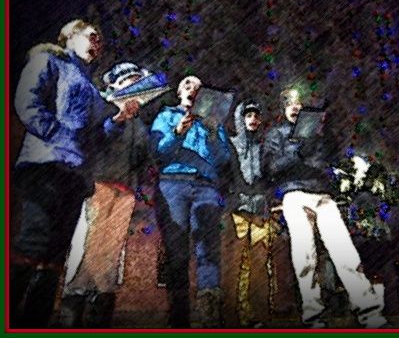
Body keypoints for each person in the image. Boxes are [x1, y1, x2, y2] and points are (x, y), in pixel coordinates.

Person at [10, 19, 138, 328]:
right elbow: (27, 102)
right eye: (93, 36)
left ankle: (34, 322)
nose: (97, 43)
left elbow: (98, 135)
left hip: (74, 177)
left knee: (54, 256)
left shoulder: (93, 90)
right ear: (70, 36)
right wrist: (57, 135)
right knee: (31, 243)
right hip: (45, 166)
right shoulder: (48, 60)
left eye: (100, 41)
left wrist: (118, 119)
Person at [263, 88, 389, 329]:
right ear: (283, 108)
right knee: (305, 255)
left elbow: (330, 160)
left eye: (299, 102)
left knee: (345, 252)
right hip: (294, 194)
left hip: (323, 195)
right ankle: (313, 318)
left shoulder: (319, 135)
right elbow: (270, 167)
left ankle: (371, 314)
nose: (295, 106)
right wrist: (297, 151)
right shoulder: (276, 134)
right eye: (289, 102)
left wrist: (325, 133)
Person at [60, 62, 152, 328]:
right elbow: (93, 139)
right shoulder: (100, 104)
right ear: (115, 84)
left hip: (125, 190)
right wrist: (117, 120)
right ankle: (73, 302)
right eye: (130, 82)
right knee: (86, 242)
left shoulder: (138, 122)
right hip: (98, 183)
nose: (135, 88)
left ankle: (99, 303)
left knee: (110, 250)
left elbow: (141, 157)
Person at [150, 76, 231, 328]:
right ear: (178, 91)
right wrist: (176, 132)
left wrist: (213, 135)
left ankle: (209, 317)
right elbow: (157, 152)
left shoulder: (212, 123)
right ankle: (178, 317)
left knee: (208, 249)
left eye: (197, 87)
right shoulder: (166, 116)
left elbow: (222, 159)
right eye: (187, 84)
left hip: (206, 187)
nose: (192, 89)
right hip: (173, 184)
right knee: (177, 251)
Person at [227, 100, 269, 327]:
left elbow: (270, 176)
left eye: (256, 115)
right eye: (248, 115)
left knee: (260, 265)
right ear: (240, 119)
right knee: (233, 266)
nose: (253, 119)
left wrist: (268, 197)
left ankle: (260, 317)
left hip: (260, 212)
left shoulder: (264, 147)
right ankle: (231, 318)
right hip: (238, 211)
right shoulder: (232, 144)